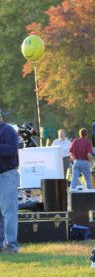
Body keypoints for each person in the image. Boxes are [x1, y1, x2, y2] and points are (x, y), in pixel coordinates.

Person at [0, 106, 20, 253]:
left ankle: (11, 246)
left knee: (8, 213)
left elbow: (13, 149)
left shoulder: (8, 130)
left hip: (7, 175)